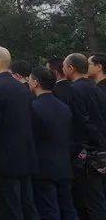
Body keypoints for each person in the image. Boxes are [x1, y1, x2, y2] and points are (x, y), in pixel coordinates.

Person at [0, 46, 39, 220]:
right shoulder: (23, 87)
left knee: (9, 209)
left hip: (4, 162)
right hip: (25, 157)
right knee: (28, 207)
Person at [27, 66, 77, 220]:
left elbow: (31, 139)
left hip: (42, 168)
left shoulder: (33, 108)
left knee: (49, 210)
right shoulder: (64, 107)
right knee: (68, 207)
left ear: (35, 82)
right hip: (64, 165)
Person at [64, 53, 106, 219]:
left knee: (92, 200)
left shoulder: (74, 90)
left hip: (88, 153)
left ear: (70, 68)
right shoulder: (96, 87)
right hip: (100, 149)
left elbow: (80, 122)